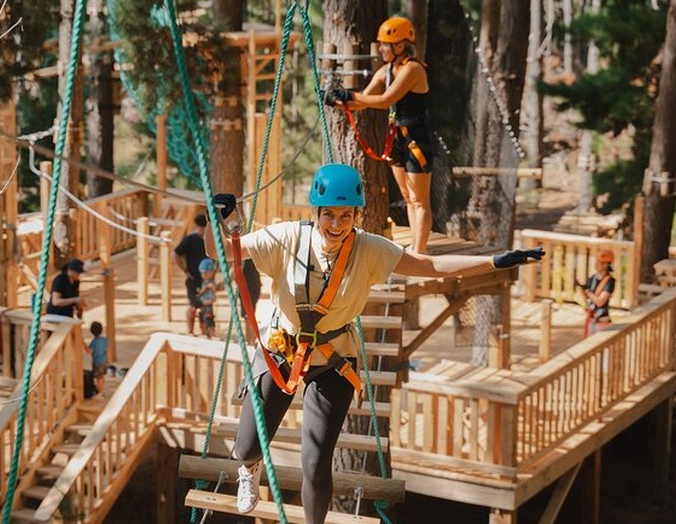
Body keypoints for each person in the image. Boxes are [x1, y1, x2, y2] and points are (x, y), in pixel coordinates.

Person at [211, 164, 544, 523]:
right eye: (329, 216)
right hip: (283, 347)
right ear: (316, 213)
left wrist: (492, 261)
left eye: (345, 215)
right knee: (245, 448)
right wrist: (215, 221)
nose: (336, 225)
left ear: (356, 215)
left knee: (316, 461)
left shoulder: (369, 249)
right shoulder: (287, 239)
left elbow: (431, 265)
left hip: (333, 356)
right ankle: (250, 468)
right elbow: (219, 252)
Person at [327, 16, 434, 254]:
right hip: (398, 138)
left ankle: (419, 251)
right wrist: (337, 100)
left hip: (416, 137)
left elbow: (386, 100)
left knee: (419, 200)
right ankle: (417, 247)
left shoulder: (413, 69)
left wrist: (350, 97)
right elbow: (364, 100)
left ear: (401, 45)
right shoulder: (386, 71)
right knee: (408, 196)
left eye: (387, 44)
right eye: (382, 44)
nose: (382, 49)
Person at [174, 214, 208, 335]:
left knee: (205, 307)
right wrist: (185, 271)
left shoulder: (209, 239)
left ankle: (204, 331)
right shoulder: (190, 239)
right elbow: (176, 254)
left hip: (206, 280)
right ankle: (190, 331)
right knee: (193, 307)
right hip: (193, 278)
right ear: (199, 227)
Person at [578, 250, 616, 337]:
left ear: (606, 265)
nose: (595, 264)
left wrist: (588, 292)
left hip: (602, 319)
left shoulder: (610, 282)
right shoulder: (593, 278)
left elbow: (600, 302)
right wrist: (581, 289)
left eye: (598, 262)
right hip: (591, 317)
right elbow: (587, 298)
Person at [197, 258, 218, 339]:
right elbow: (201, 292)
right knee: (201, 317)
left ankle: (212, 333)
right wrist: (203, 290)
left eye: (206, 273)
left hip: (209, 303)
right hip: (203, 303)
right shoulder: (204, 283)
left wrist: (210, 289)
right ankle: (204, 332)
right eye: (203, 274)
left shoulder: (212, 282)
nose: (204, 275)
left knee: (209, 318)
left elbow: (214, 291)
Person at [88, 321, 109, 395]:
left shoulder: (94, 342)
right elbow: (106, 350)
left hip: (97, 362)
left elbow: (89, 351)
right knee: (102, 376)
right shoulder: (105, 340)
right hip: (104, 361)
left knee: (98, 377)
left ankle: (100, 392)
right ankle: (103, 389)